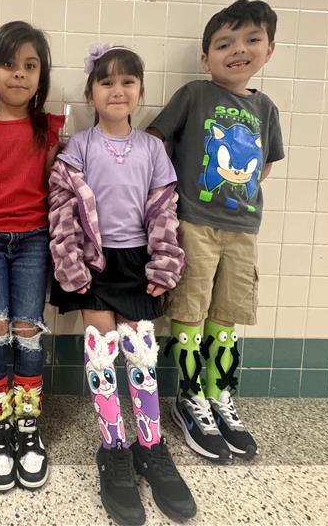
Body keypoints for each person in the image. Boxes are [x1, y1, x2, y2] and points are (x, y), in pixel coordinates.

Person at [49, 45, 196, 524]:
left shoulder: (153, 149)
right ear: (91, 92)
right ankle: (113, 447)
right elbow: (63, 208)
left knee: (141, 350)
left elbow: (164, 212)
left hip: (136, 263)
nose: (117, 89)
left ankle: (150, 444)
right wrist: (69, 262)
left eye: (127, 81)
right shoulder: (80, 147)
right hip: (93, 263)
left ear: (140, 92)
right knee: (100, 348)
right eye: (107, 81)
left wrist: (164, 263)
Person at [147, 0, 284, 462]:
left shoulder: (265, 108)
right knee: (190, 311)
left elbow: (264, 165)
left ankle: (218, 395)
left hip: (244, 230)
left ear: (269, 49)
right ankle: (188, 399)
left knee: (226, 316)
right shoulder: (195, 95)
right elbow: (155, 138)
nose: (237, 50)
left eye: (251, 40)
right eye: (224, 44)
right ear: (206, 58)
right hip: (195, 225)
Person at [0, 21, 62, 491]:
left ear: (41, 76)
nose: (18, 74)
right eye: (8, 64)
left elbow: (52, 188)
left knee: (27, 330)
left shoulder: (48, 128)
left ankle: (27, 423)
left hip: (34, 238)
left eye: (30, 65)